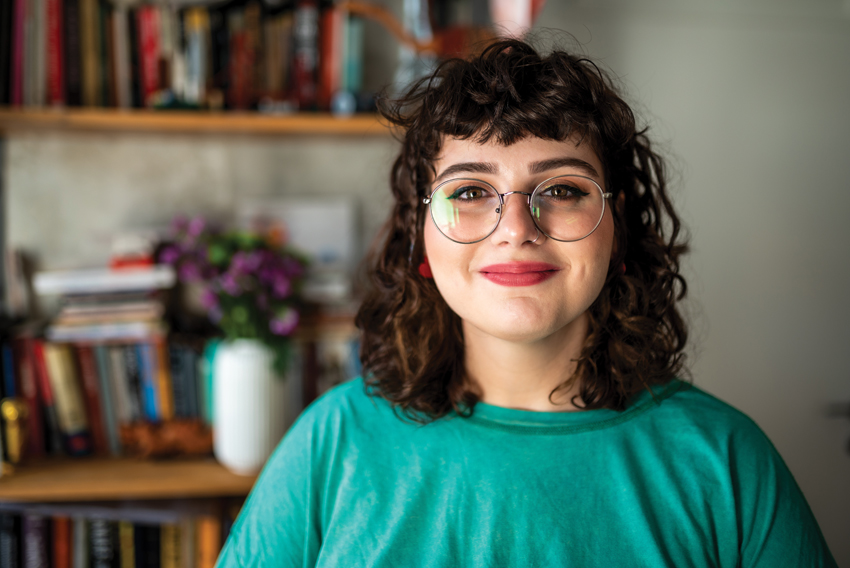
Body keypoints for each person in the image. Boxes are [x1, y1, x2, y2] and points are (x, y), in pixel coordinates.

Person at [216, 39, 837, 567]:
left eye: (563, 188)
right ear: (420, 234)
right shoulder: (332, 443)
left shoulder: (725, 461)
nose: (516, 226)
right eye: (470, 191)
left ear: (615, 226)